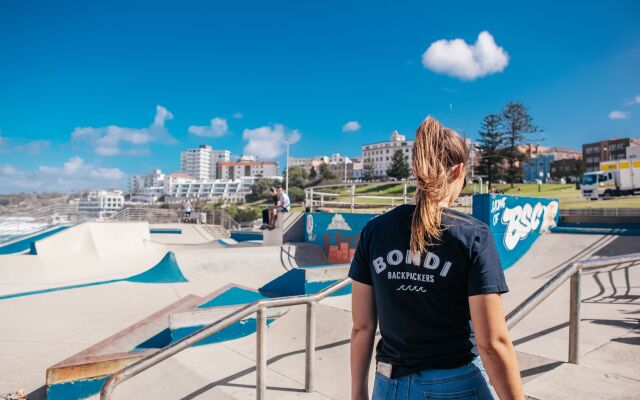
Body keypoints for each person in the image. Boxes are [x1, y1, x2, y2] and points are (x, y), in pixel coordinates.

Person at [350, 116, 524, 400]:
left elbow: (362, 326)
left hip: (387, 385)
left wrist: (358, 393)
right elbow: (492, 342)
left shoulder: (374, 231)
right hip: (455, 386)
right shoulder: (473, 235)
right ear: (457, 172)